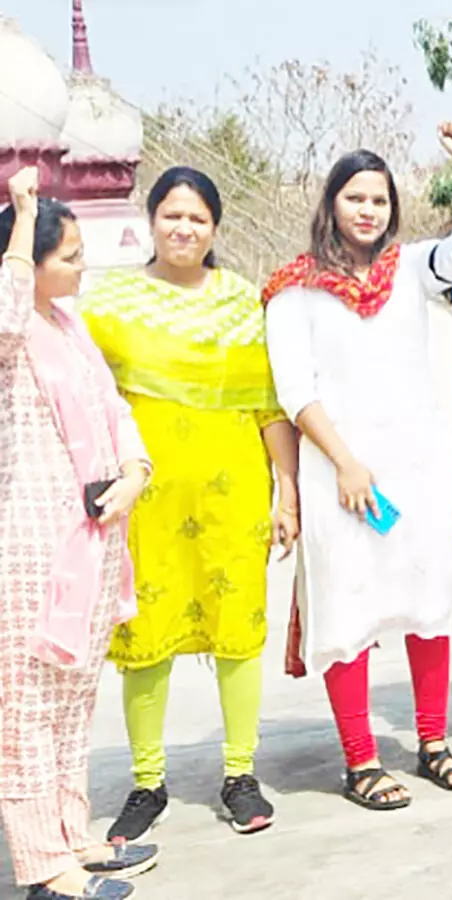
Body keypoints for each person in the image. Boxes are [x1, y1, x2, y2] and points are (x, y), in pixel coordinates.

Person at [262, 123, 452, 810]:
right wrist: (345, 464)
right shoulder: (295, 289)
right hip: (341, 475)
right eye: (355, 198)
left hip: (415, 467)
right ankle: (360, 761)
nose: (368, 210)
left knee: (429, 603)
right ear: (331, 203)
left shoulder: (410, 269)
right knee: (347, 609)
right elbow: (295, 389)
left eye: (380, 200)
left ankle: (433, 742)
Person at [78, 168, 297, 842]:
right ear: (150, 221)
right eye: (172, 215)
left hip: (235, 496)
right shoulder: (110, 304)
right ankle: (147, 783)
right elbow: (87, 403)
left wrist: (287, 490)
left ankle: (240, 775)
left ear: (214, 228)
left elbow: (269, 406)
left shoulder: (242, 302)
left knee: (238, 632)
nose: (184, 228)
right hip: (145, 502)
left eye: (198, 218)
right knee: (145, 637)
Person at [0, 166, 158, 900]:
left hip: (92, 540)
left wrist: (135, 470)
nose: (82, 267)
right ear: (27, 262)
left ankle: (71, 838)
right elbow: (6, 314)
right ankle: (42, 866)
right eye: (68, 256)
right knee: (28, 708)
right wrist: (22, 211)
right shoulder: (12, 332)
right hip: (30, 548)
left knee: (72, 699)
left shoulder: (69, 326)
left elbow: (113, 407)